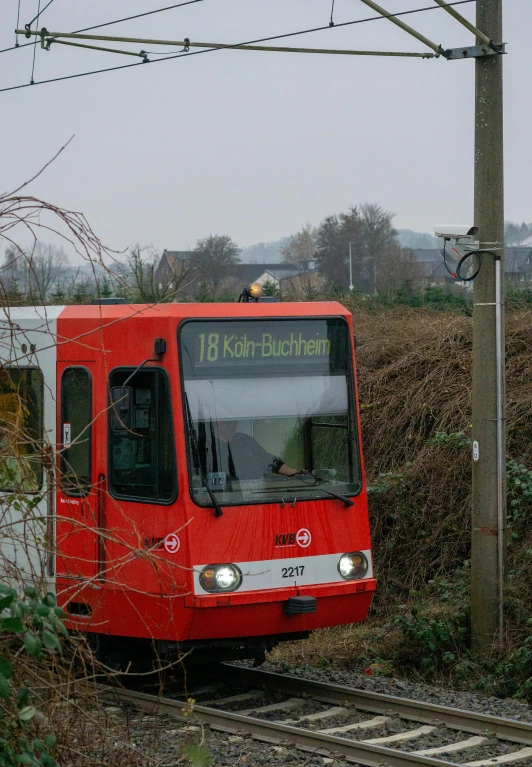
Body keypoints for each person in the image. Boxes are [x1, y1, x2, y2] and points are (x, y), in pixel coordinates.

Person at [208, 420, 306, 482]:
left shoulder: (244, 440)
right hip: (218, 499)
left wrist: (295, 473)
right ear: (217, 422)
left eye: (235, 422)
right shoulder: (205, 444)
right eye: (228, 422)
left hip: (251, 495)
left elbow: (270, 462)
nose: (232, 426)